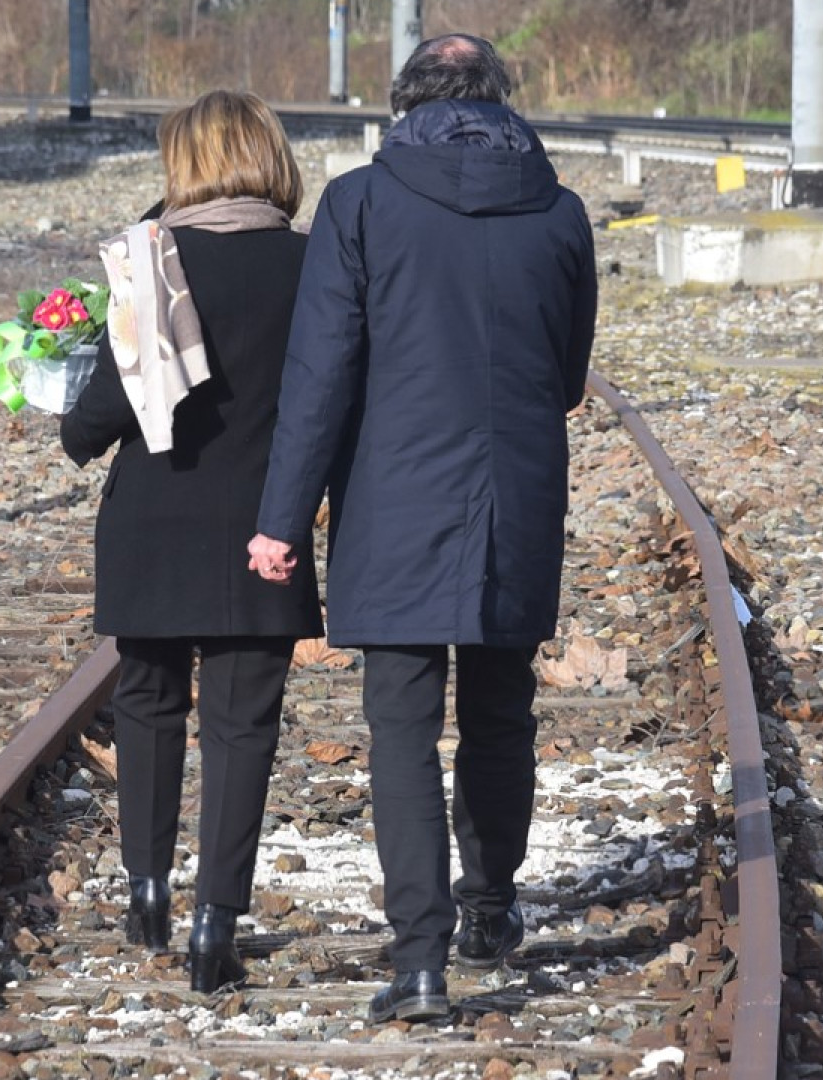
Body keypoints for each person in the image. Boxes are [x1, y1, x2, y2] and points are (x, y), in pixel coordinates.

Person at [247, 34, 597, 1023]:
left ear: (403, 105)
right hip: (515, 502)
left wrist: (280, 520)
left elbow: (319, 378)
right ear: (501, 101)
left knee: (400, 729)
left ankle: (419, 961)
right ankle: (490, 909)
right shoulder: (561, 215)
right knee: (499, 714)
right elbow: (568, 381)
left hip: (393, 502)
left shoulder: (357, 205)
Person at [60, 90, 320, 995]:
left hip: (152, 526)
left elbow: (90, 424)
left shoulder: (152, 264)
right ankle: (216, 923)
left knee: (147, 702)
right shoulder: (313, 262)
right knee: (243, 727)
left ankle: (145, 891)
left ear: (183, 166)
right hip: (265, 525)